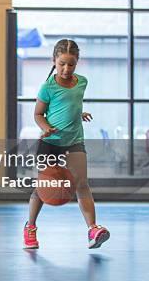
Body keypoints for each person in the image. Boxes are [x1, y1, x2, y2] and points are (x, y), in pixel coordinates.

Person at [24, 39, 109, 250]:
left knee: (82, 184)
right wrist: (45, 127)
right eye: (62, 63)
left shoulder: (82, 82)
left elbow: (70, 105)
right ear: (54, 61)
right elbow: (38, 114)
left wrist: (79, 113)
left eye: (71, 64)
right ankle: (30, 227)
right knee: (43, 189)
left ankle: (92, 229)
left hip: (74, 140)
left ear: (77, 62)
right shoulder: (47, 87)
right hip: (50, 142)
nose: (66, 68)